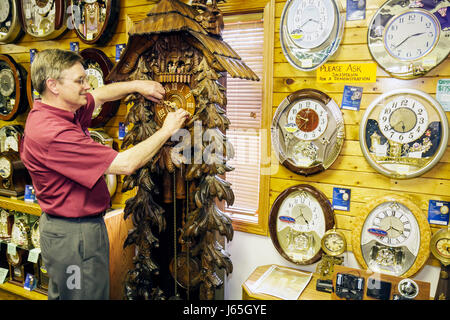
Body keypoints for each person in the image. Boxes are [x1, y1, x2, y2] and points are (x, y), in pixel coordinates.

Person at [20, 49, 189, 300]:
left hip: (74, 231)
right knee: (82, 296)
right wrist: (167, 130)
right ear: (53, 85)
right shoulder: (53, 133)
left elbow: (98, 96)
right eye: (79, 80)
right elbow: (126, 163)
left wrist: (137, 85)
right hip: (74, 238)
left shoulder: (58, 109)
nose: (87, 85)